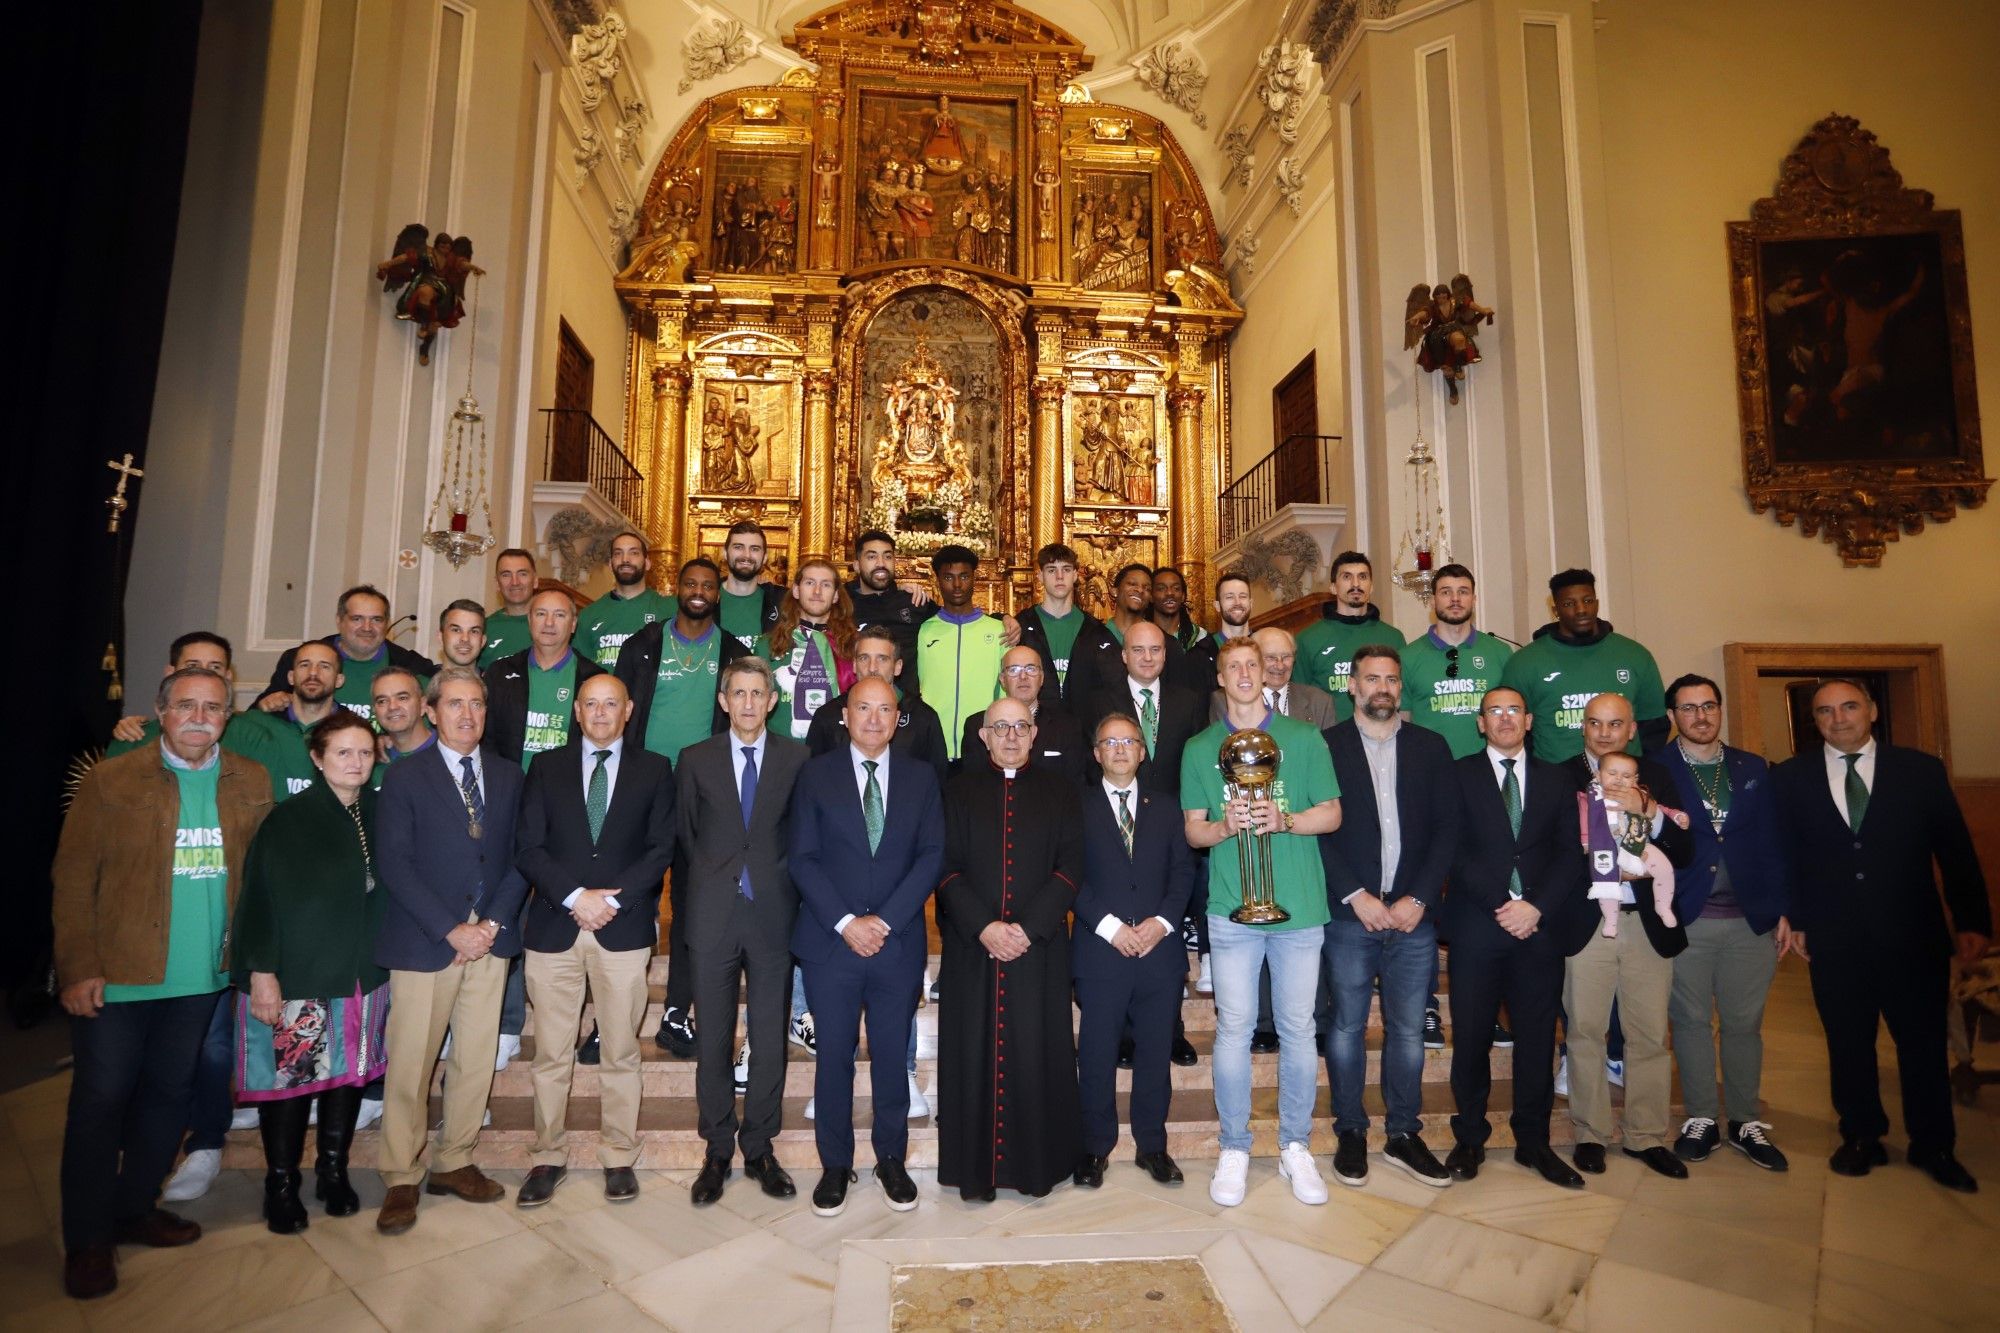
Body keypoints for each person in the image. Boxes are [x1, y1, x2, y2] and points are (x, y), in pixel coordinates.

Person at [52, 666, 272, 1299]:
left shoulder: (249, 781)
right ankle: (89, 1239)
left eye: (212, 707)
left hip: (202, 975)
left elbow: (260, 878)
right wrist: (77, 964)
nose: (199, 717)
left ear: (227, 717)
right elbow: (72, 876)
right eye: (185, 706)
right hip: (118, 972)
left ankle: (133, 1209)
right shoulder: (112, 778)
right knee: (100, 1102)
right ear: (160, 712)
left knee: (168, 1097)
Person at [1772, 678, 1989, 1192]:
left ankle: (1934, 1144)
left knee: (1922, 1045)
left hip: (1913, 935)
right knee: (1848, 1043)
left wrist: (1973, 920)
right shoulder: (1791, 778)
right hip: (1834, 936)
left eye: (1849, 706)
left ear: (1870, 710)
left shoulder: (1920, 771)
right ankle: (1862, 1135)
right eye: (1825, 712)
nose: (1839, 718)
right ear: (1815, 721)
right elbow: (1786, 856)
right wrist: (1796, 917)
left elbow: (1955, 851)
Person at [1183, 639, 1343, 1208]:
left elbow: (1333, 813)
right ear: (1221, 679)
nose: (1246, 674)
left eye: (1253, 665)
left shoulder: (1303, 737)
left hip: (1300, 907)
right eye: (1234, 667)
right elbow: (1193, 831)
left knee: (1299, 1028)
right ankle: (1234, 1146)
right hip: (1231, 909)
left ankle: (1295, 1146)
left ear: (1267, 674)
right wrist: (1226, 826)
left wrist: (1286, 818)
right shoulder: (1202, 746)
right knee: (1234, 1027)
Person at [371, 666, 528, 1234]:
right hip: (425, 940)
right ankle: (400, 1176)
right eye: (456, 704)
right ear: (431, 712)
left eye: (478, 704)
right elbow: (395, 863)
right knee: (412, 1063)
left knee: (474, 1056)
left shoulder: (510, 776)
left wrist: (489, 924)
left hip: (491, 938)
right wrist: (450, 929)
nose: (468, 714)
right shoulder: (405, 777)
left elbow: (520, 856)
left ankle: (455, 1159)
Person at [513, 674, 674, 1208]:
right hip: (555, 928)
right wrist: (576, 896)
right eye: (591, 704)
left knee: (622, 1051)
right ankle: (547, 1154)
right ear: (576, 712)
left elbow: (660, 849)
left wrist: (611, 901)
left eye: (611, 704)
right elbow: (529, 846)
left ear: (628, 710)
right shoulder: (546, 767)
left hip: (622, 931)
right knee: (551, 1054)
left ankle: (618, 1155)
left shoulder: (654, 769)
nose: (601, 713)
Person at [788, 677, 946, 1217]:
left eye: (885, 710)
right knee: (832, 1056)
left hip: (896, 942)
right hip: (830, 944)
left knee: (890, 1058)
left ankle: (891, 1159)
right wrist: (845, 922)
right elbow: (802, 857)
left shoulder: (922, 778)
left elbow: (931, 855)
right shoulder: (815, 774)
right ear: (846, 715)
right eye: (864, 709)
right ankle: (835, 1164)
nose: (874, 719)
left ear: (897, 717)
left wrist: (885, 920)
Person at [231, 710, 389, 1233]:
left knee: (346, 1078)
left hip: (362, 974)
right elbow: (258, 899)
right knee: (292, 1082)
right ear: (318, 759)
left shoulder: (378, 810)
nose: (356, 762)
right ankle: (281, 1183)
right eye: (343, 752)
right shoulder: (288, 818)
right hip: (300, 974)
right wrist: (262, 972)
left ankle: (333, 1170)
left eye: (365, 752)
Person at [936, 698, 1086, 1201]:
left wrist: (1028, 928)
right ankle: (973, 1170)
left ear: (1035, 732)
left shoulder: (1061, 792)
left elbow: (1070, 868)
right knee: (971, 1052)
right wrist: (984, 927)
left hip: (1037, 951)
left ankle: (1038, 1166)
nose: (1011, 736)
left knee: (1037, 1050)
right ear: (983, 736)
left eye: (1021, 727)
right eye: (1000, 728)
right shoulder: (957, 793)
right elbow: (946, 868)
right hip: (973, 950)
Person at [1318, 645, 1456, 1188]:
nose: (1382, 687)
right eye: (1371, 677)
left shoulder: (1431, 747)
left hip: (1412, 915)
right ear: (1351, 685)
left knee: (1406, 1030)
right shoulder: (1324, 747)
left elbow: (1448, 830)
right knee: (1347, 1026)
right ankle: (1351, 1130)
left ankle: (1403, 1133)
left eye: (1391, 680)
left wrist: (1418, 898)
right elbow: (1316, 830)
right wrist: (1356, 895)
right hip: (1351, 914)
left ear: (1401, 688)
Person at [1441, 687, 1587, 1190]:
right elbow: (1452, 849)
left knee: (1536, 1037)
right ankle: (1470, 1137)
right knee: (1473, 1037)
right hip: (1478, 925)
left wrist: (1536, 906)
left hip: (1539, 928)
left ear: (1528, 721)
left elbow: (1571, 853)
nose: (1504, 719)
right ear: (1481, 723)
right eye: (1494, 712)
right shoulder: (1458, 774)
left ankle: (1534, 1141)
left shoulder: (1557, 777)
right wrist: (1503, 904)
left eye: (1513, 711)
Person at [677, 658, 808, 1206]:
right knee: (712, 1038)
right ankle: (715, 1149)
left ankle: (759, 1147)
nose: (750, 703)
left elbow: (802, 832)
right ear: (725, 701)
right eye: (740, 694)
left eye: (759, 693)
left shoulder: (797, 758)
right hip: (714, 914)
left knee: (770, 1035)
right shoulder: (695, 759)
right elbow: (686, 835)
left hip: (774, 914)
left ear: (772, 701)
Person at [1653, 674, 1795, 1170]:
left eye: (1709, 706)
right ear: (1673, 717)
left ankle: (1744, 1120)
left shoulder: (1752, 767)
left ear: (1720, 710)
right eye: (1688, 708)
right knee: (1690, 1022)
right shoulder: (1656, 770)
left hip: (1749, 921)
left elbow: (1774, 843)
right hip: (1686, 917)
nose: (1701, 716)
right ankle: (1702, 1119)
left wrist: (1783, 909)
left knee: (1743, 1024)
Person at [614, 556, 751, 1057]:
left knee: (695, 907)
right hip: (645, 787)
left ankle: (676, 1011)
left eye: (707, 585)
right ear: (677, 588)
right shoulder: (643, 645)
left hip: (706, 793)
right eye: (690, 584)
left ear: (718, 593)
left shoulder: (732, 653)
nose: (698, 591)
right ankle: (610, 1019)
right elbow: (620, 711)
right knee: (631, 897)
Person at [1558, 693, 1694, 1181]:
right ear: (1583, 727)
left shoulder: (1655, 775)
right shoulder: (1562, 776)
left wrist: (1649, 811)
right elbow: (1550, 852)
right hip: (1590, 922)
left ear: (1632, 729)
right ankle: (1590, 1134)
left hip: (1648, 927)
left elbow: (1684, 846)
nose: (1604, 732)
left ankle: (1646, 1136)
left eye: (1615, 724)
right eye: (1595, 723)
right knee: (1585, 1032)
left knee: (1649, 1036)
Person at [1072, 713, 1196, 1190]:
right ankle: (1093, 1147)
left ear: (1142, 752)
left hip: (1158, 953)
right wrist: (1108, 927)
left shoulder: (1167, 807)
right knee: (1098, 1051)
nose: (1120, 749)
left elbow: (1183, 873)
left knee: (1154, 1053)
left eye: (1130, 741)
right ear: (1097, 753)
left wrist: (1162, 924)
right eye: (1110, 742)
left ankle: (1153, 1147)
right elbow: (1068, 875)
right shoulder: (1075, 807)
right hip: (1100, 952)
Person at [1500, 568, 1668, 763]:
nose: (1581, 610)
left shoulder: (1635, 655)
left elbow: (1654, 725)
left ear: (1596, 603)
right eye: (1569, 603)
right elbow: (1513, 729)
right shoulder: (1525, 662)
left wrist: (1631, 769)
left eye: (1587, 601)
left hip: (1623, 780)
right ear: (1556, 610)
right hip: (1554, 781)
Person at [255, 584, 438, 720]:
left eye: (376, 619)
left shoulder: (411, 666)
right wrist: (269, 704)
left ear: (387, 624)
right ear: (339, 620)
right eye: (357, 619)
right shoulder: (300, 660)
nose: (367, 628)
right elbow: (259, 714)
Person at [807, 625, 951, 790]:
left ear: (898, 667)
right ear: (854, 665)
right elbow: (813, 781)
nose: (872, 668)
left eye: (882, 658)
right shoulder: (828, 716)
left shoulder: (923, 718)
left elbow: (937, 785)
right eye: (864, 658)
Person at [1399, 564, 1515, 760]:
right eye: (1446, 592)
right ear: (1432, 600)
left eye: (1463, 592)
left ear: (1474, 599)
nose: (1455, 599)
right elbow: (1403, 722)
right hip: (1431, 769)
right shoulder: (1407, 657)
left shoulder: (1500, 652)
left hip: (1488, 769)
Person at [483, 588, 603, 767]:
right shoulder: (499, 673)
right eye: (541, 614)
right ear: (530, 620)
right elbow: (486, 739)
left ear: (573, 624)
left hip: (565, 789)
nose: (549, 623)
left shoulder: (594, 678)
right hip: (510, 789)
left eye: (560, 615)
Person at [914, 544, 1008, 763]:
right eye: (948, 578)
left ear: (975, 578)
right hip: (932, 748)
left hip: (982, 748)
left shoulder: (998, 631)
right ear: (937, 580)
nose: (957, 585)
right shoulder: (923, 630)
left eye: (964, 576)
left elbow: (1007, 690)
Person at [1292, 551, 1406, 724]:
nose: (1356, 584)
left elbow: (1403, 697)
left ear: (1371, 586)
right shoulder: (1307, 640)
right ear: (1333, 587)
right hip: (1328, 741)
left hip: (1383, 736)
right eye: (1347, 577)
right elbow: (1298, 700)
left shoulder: (1393, 638)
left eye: (1362, 577)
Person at [1580, 753, 1685, 938]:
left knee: (1664, 867)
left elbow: (1660, 809)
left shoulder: (1641, 795)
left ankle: (1663, 905)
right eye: (1612, 773)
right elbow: (1583, 821)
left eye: (1626, 776)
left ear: (1636, 779)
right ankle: (1611, 921)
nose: (1619, 779)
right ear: (1598, 775)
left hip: (1638, 846)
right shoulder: (1588, 798)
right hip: (1606, 849)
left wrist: (1676, 815)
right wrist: (1586, 842)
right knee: (1607, 881)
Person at [227, 640, 343, 800]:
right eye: (304, 665)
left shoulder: (354, 734)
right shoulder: (251, 725)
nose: (313, 673)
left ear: (339, 680)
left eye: (324, 666)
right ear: (290, 677)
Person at [760, 556, 859, 742]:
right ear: (796, 590)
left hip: (835, 750)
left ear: (836, 595)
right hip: (782, 753)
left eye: (826, 585)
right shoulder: (767, 645)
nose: (817, 591)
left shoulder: (853, 646)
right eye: (809, 582)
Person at [959, 646, 1089, 787]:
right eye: (1014, 670)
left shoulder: (1068, 727)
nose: (1023, 677)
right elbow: (973, 784)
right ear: (1002, 679)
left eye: (1031, 669)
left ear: (1042, 678)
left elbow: (1075, 787)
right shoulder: (977, 725)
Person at [1014, 542, 1121, 709]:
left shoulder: (1095, 630)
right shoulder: (1022, 625)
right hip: (1034, 725)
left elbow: (1110, 685)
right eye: (1051, 570)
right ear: (1040, 576)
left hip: (1081, 727)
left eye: (1066, 569)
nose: (1059, 576)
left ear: (1075, 575)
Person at [107, 632, 241, 755]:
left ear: (228, 677)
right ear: (170, 673)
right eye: (192, 666)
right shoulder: (134, 739)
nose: (203, 674)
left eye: (215, 667)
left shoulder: (250, 736)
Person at [577, 531, 677, 669]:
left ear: (647, 563)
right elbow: (580, 670)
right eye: (618, 553)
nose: (625, 559)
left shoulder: (670, 609)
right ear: (611, 564)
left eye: (634, 553)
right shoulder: (588, 615)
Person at [845, 528, 935, 671]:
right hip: (855, 691)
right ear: (856, 565)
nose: (881, 563)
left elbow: (952, 625)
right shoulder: (842, 605)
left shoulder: (914, 601)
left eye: (887, 556)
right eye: (871, 557)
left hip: (908, 692)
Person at [1211, 626, 1337, 729]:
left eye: (1286, 657)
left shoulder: (1319, 701)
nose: (1280, 665)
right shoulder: (1224, 701)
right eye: (1271, 657)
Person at [718, 520, 787, 648]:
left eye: (755, 549)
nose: (746, 555)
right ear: (725, 553)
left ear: (765, 557)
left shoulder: (782, 601)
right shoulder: (706, 599)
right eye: (738, 547)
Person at [1185, 569, 1255, 688]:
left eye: (1242, 596)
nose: (1237, 602)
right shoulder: (1200, 655)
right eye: (1229, 597)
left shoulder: (1265, 646)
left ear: (1251, 603)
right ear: (1217, 606)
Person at [478, 548, 539, 668]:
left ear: (535, 580)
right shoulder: (483, 628)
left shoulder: (553, 625)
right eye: (506, 575)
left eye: (522, 574)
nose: (515, 582)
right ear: (497, 584)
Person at [1150, 566, 1205, 653]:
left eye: (1176, 588)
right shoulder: (1140, 633)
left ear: (1183, 596)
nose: (1169, 593)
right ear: (1151, 596)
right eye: (1161, 589)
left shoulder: (1200, 637)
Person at [434, 598, 489, 671]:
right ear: (440, 637)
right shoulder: (420, 681)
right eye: (456, 630)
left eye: (474, 631)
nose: (465, 639)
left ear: (483, 641)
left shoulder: (494, 682)